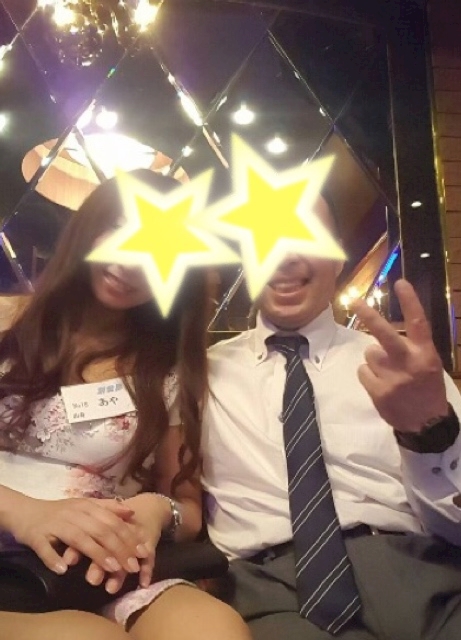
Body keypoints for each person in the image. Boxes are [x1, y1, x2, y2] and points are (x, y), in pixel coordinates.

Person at [0, 170, 251, 640]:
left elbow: (187, 505)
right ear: (89, 226)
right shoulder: (8, 321)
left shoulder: (168, 369)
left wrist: (154, 511)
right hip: (11, 547)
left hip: (101, 564)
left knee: (215, 630)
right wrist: (25, 512)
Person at [201, 193, 461, 640]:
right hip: (272, 590)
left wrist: (430, 435)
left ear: (338, 255)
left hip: (424, 576)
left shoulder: (400, 367)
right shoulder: (198, 374)